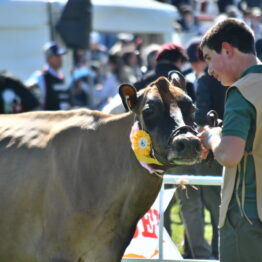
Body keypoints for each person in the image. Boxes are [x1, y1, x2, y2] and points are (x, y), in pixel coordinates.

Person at [199, 17, 262, 262]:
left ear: (227, 50)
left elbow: (229, 155)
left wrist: (212, 137)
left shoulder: (241, 91)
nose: (209, 70)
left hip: (245, 219)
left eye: (208, 58)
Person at [26, 41, 72, 110]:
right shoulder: (40, 77)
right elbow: (27, 90)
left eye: (60, 56)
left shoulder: (61, 77)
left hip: (63, 119)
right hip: (47, 119)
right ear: (48, 58)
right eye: (57, 56)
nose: (60, 59)